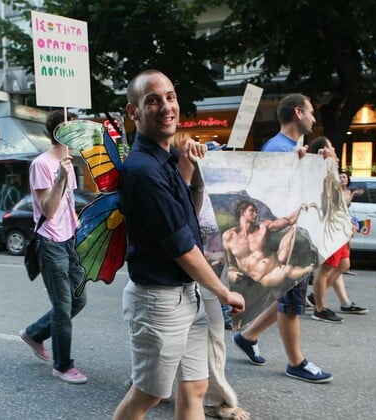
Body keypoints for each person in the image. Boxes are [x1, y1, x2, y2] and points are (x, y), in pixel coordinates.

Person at [113, 70, 245, 420]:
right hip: (160, 302)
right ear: (134, 111)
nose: (165, 106)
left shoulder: (167, 160)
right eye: (152, 100)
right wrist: (223, 291)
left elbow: (187, 213)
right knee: (147, 396)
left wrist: (198, 174)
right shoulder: (143, 170)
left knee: (195, 388)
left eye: (170, 97)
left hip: (186, 295)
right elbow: (182, 246)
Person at [232, 93, 332, 384]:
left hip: (293, 235)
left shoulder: (293, 148)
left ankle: (248, 337)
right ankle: (296, 362)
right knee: (291, 301)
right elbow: (270, 194)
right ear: (298, 113)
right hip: (284, 240)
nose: (314, 118)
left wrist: (318, 163)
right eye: (311, 112)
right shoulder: (278, 148)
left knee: (288, 297)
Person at [173, 134, 250, 420]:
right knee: (171, 343)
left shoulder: (215, 188)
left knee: (212, 336)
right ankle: (146, 383)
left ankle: (217, 399)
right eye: (190, 150)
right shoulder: (173, 188)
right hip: (183, 277)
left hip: (210, 278)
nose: (199, 153)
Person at [18, 110, 88, 384]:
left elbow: (67, 206)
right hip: (50, 242)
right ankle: (63, 365)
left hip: (70, 240)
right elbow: (48, 210)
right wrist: (60, 177)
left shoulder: (69, 163)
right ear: (61, 133)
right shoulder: (42, 165)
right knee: (62, 306)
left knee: (79, 299)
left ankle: (35, 333)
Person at [306, 137, 367, 323]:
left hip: (338, 226)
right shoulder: (322, 169)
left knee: (343, 265)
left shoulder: (331, 170)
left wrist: (348, 223)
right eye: (331, 147)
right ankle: (320, 308)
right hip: (329, 227)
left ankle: (317, 297)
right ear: (323, 150)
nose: (335, 151)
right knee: (326, 268)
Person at [222, 201, 314, 287]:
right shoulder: (228, 237)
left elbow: (289, 220)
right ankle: (306, 270)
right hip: (265, 276)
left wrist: (300, 209)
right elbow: (230, 264)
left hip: (278, 259)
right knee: (287, 270)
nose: (256, 214)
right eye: (252, 210)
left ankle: (305, 272)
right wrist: (231, 274)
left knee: (291, 233)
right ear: (242, 212)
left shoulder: (263, 228)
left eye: (256, 211)